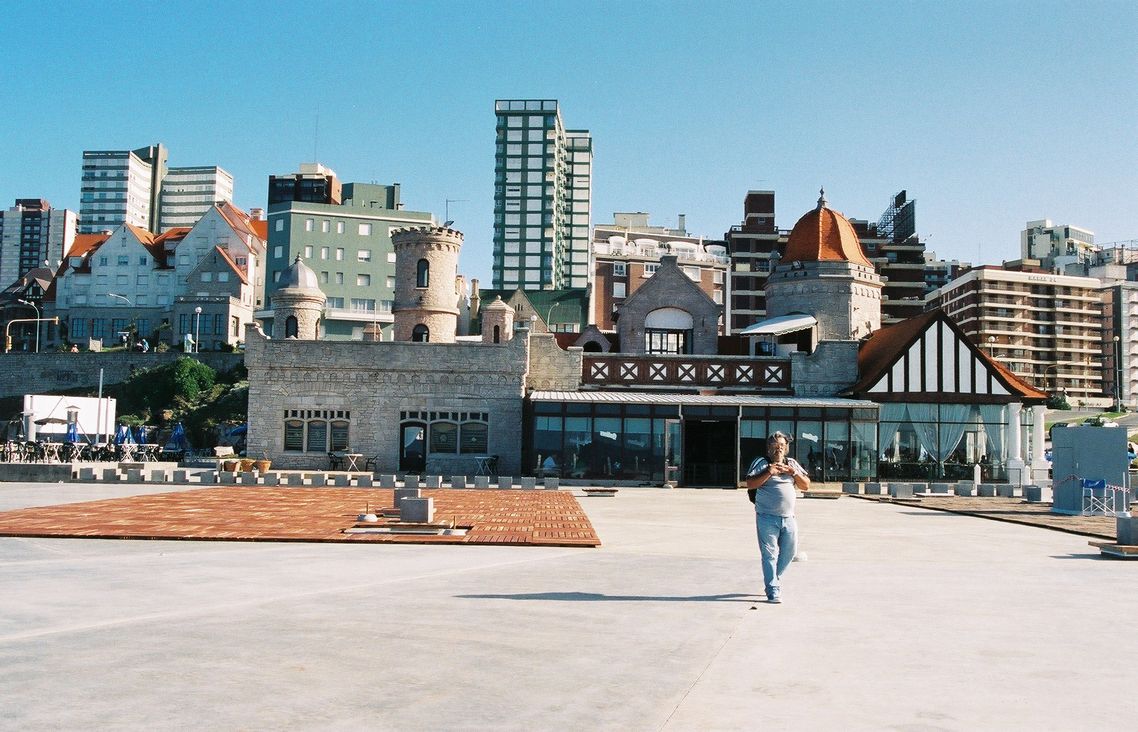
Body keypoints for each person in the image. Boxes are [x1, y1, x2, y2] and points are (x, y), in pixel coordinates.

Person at [745, 431, 810, 603]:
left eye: (781, 446)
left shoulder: (792, 464)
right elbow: (750, 483)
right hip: (766, 518)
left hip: (789, 518)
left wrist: (793, 473)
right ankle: (773, 590)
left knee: (789, 553)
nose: (778, 449)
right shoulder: (761, 463)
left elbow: (806, 486)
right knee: (769, 555)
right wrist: (769, 472)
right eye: (774, 446)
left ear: (786, 448)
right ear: (768, 449)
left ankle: (773, 578)